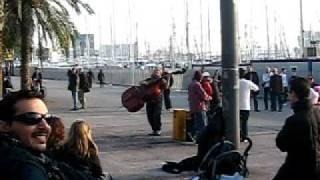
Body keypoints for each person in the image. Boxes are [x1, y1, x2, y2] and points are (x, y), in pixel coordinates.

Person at [0, 90, 63, 179]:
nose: (45, 126)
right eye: (32, 118)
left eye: (48, 119)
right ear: (5, 126)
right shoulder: (23, 167)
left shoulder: (43, 159)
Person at [273, 77, 320, 180]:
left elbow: (281, 144)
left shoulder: (294, 120)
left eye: (289, 93)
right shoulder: (317, 113)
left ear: (294, 94)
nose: (288, 96)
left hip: (297, 168)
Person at [188, 71, 212, 140]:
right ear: (199, 77)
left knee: (197, 122)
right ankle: (202, 138)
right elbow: (203, 94)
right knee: (203, 123)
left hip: (193, 106)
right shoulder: (197, 84)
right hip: (200, 106)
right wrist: (209, 97)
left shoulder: (191, 84)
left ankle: (192, 133)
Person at [145, 68, 167, 136]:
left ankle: (158, 129)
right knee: (150, 116)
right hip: (149, 100)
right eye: (155, 73)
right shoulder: (149, 79)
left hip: (158, 100)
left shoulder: (161, 81)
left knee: (156, 115)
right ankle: (154, 129)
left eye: (157, 73)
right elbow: (142, 83)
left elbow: (166, 87)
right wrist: (147, 83)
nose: (156, 74)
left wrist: (167, 78)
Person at [239, 68, 259, 139]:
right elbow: (256, 88)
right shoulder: (247, 82)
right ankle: (244, 137)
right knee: (244, 122)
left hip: (236, 107)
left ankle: (237, 135)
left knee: (237, 122)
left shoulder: (234, 82)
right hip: (245, 106)